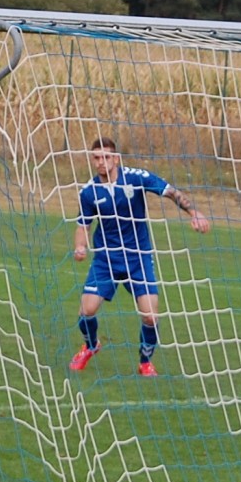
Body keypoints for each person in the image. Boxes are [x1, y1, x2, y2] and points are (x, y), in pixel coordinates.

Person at [69, 137, 209, 377]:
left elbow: (170, 191)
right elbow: (83, 224)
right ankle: (91, 345)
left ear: (116, 158)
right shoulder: (89, 192)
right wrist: (80, 246)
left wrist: (193, 212)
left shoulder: (136, 178)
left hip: (138, 259)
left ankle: (145, 362)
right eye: (96, 158)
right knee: (86, 311)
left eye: (106, 157)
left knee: (150, 317)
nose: (101, 162)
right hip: (106, 260)